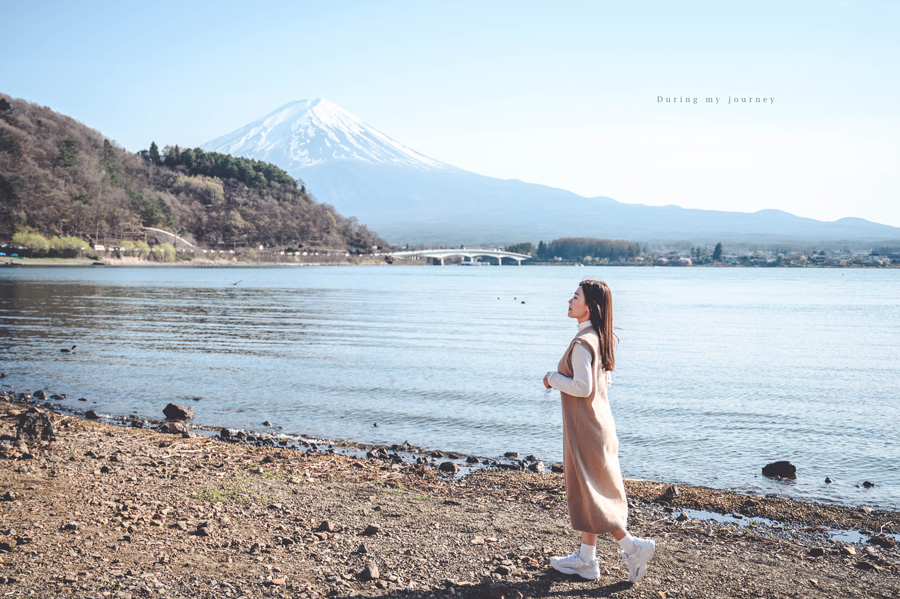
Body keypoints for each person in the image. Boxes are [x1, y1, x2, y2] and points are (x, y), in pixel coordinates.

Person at [542, 280, 655, 583]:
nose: (569, 300)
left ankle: (632, 547)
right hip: (600, 424)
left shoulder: (582, 344)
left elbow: (583, 387)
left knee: (590, 493)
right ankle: (587, 559)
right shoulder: (599, 338)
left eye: (575, 296)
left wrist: (552, 379)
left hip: (587, 429)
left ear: (589, 306)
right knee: (589, 490)